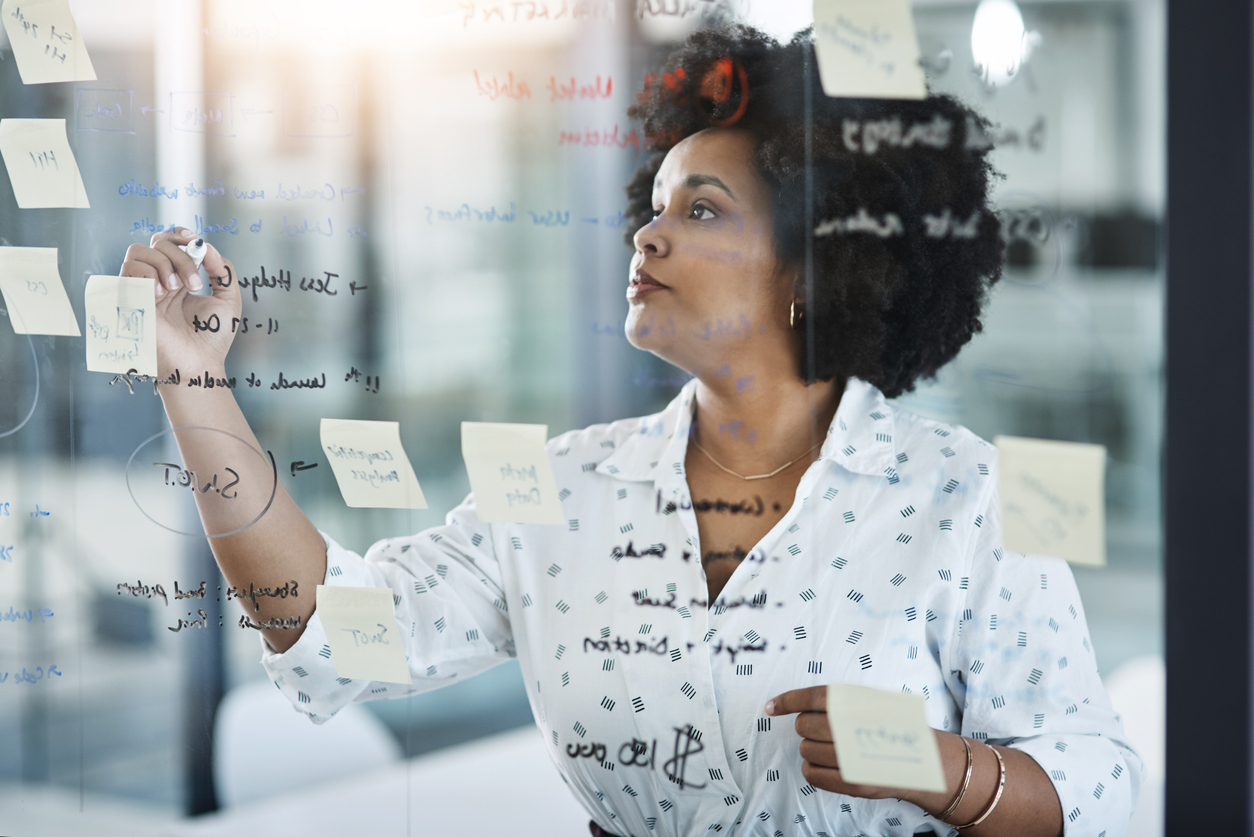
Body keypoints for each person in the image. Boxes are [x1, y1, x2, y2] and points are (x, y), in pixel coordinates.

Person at [119, 23, 1140, 837]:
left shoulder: (963, 495)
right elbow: (329, 630)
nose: (646, 232)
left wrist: (946, 770)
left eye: (701, 210)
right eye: (652, 205)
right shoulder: (561, 489)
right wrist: (192, 381)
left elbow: (1100, 783)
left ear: (814, 269)